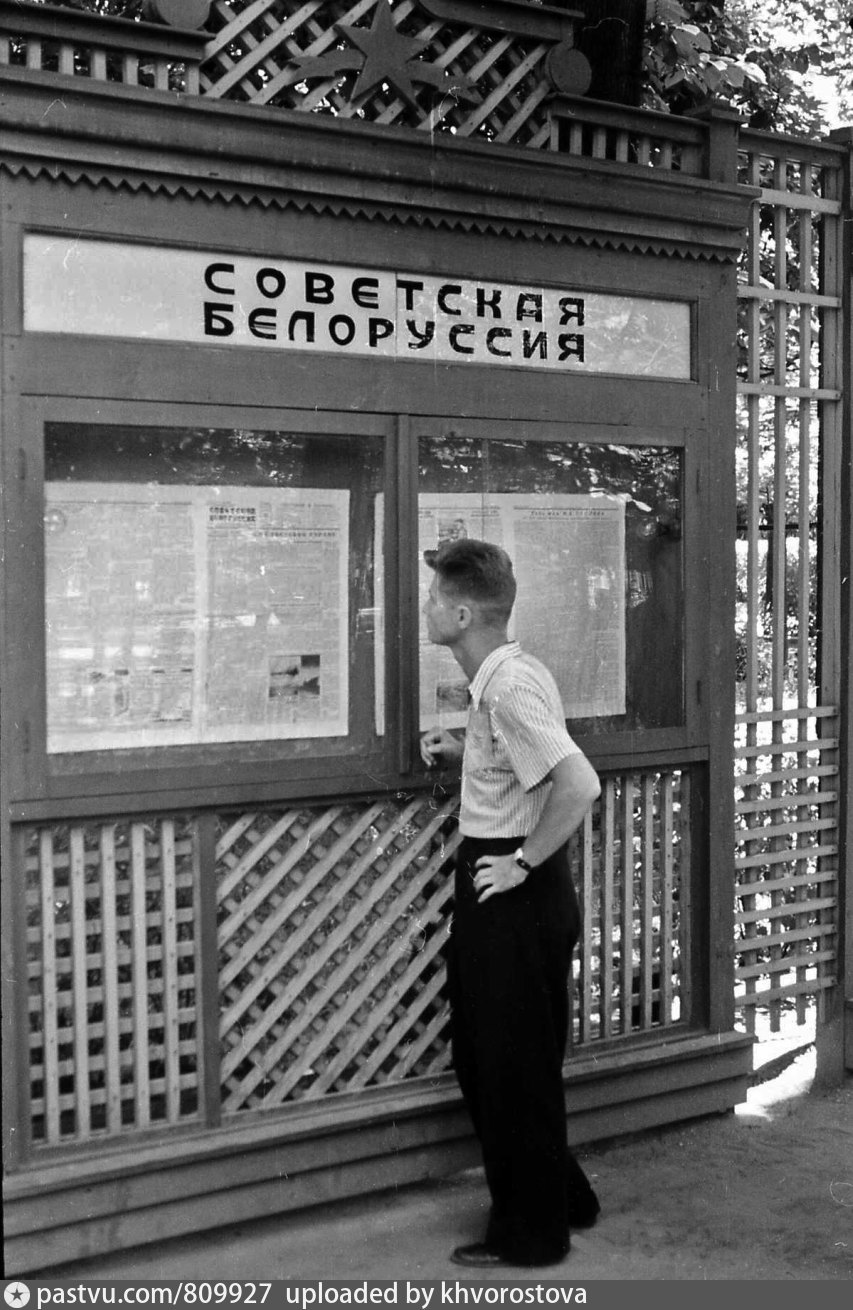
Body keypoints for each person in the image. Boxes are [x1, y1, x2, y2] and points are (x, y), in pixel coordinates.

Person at [420, 538, 602, 1269]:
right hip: (509, 885)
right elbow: (521, 765)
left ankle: (532, 1235)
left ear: (463, 615)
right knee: (497, 1056)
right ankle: (564, 1198)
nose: (428, 608)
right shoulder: (504, 676)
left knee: (506, 1065)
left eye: (435, 599)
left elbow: (578, 785)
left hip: (513, 889)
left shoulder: (506, 688)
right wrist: (467, 755)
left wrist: (522, 863)